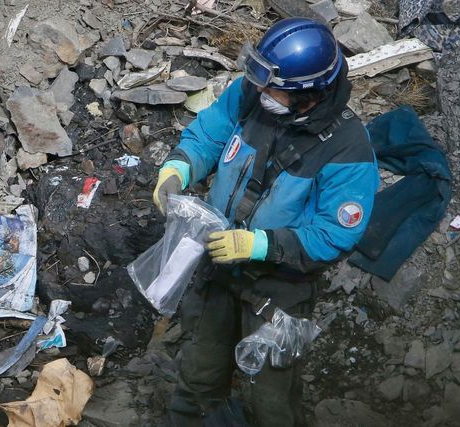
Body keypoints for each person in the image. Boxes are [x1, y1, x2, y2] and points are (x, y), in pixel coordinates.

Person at [152, 17, 379, 426]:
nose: (258, 90)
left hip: (279, 287)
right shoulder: (254, 95)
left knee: (271, 399)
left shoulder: (349, 150)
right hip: (218, 263)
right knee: (199, 376)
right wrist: (178, 169)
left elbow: (335, 234)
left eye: (269, 85)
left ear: (307, 93)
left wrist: (259, 245)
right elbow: (208, 136)